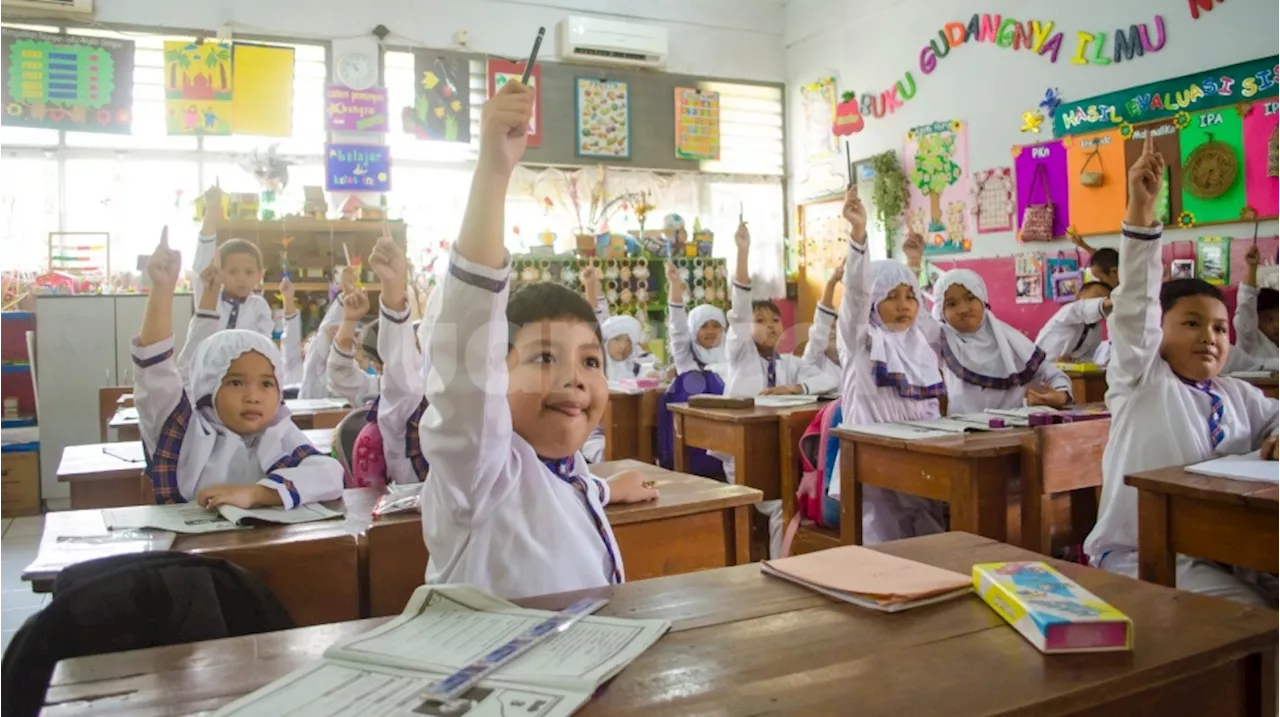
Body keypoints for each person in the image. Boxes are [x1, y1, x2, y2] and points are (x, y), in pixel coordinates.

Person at [416, 79, 659, 599]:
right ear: (495, 368)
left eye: (591, 363)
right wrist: (494, 173)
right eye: (545, 357)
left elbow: (565, 483)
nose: (575, 378)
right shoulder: (478, 472)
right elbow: (466, 365)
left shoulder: (570, 473)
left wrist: (607, 489)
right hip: (494, 678)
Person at [1086, 133, 1280, 606]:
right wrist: (1141, 214)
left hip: (1219, 549)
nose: (1208, 338)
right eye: (1190, 323)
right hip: (1141, 552)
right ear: (1158, 331)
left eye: (1218, 328)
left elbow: (1274, 418)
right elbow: (1134, 306)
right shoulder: (1141, 381)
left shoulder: (1236, 394)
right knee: (1254, 617)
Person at [133, 227, 343, 508]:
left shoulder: (276, 430)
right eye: (235, 382)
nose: (253, 396)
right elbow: (154, 372)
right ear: (209, 387)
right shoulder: (186, 431)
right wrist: (162, 289)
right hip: (194, 551)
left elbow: (330, 474)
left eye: (267, 383)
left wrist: (256, 494)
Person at [832, 198, 948, 542]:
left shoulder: (920, 344)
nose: (904, 306)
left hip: (921, 458)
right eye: (891, 297)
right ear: (873, 301)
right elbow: (855, 294)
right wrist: (858, 233)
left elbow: (924, 318)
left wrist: (913, 263)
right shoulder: (861, 339)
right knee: (883, 545)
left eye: (910, 297)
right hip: (873, 462)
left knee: (932, 538)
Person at [932, 269, 1073, 415]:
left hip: (1011, 429)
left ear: (982, 299)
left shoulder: (1012, 341)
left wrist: (1060, 396)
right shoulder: (942, 339)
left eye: (970, 298)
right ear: (941, 311)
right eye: (951, 304)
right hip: (961, 431)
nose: (963, 309)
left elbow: (1055, 376)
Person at [726, 222, 815, 397]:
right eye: (760, 321)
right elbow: (740, 312)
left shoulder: (789, 363)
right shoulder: (740, 352)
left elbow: (830, 379)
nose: (770, 326)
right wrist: (743, 252)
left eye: (775, 320)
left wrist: (795, 388)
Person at [193, 186, 274, 339]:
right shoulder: (210, 296)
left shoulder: (258, 306)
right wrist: (211, 210)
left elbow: (263, 343)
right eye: (233, 272)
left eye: (249, 272)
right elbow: (202, 262)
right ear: (220, 273)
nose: (241, 278)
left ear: (259, 275)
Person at [665, 260, 726, 376]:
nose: (711, 331)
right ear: (692, 330)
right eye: (703, 326)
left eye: (716, 326)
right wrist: (675, 283)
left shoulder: (732, 354)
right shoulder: (685, 356)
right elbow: (678, 327)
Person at [1034, 281, 1113, 363]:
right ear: (1078, 296)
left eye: (1106, 298)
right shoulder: (1068, 311)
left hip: (1065, 369)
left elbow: (1090, 355)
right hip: (1040, 363)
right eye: (1098, 296)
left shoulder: (1096, 328)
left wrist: (1073, 360)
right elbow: (1082, 308)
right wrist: (1110, 302)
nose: (1102, 300)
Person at [327, 288, 381, 405]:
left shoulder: (424, 384)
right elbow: (340, 374)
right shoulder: (380, 387)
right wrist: (349, 320)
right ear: (379, 366)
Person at [799, 266, 844, 397]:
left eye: (836, 328)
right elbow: (821, 323)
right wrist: (831, 284)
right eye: (829, 328)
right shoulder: (813, 359)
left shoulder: (854, 360)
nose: (832, 332)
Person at [1234, 245, 1280, 361]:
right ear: (1255, 320)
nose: (1277, 325)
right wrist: (1251, 267)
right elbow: (1246, 306)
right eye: (1268, 319)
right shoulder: (1250, 341)